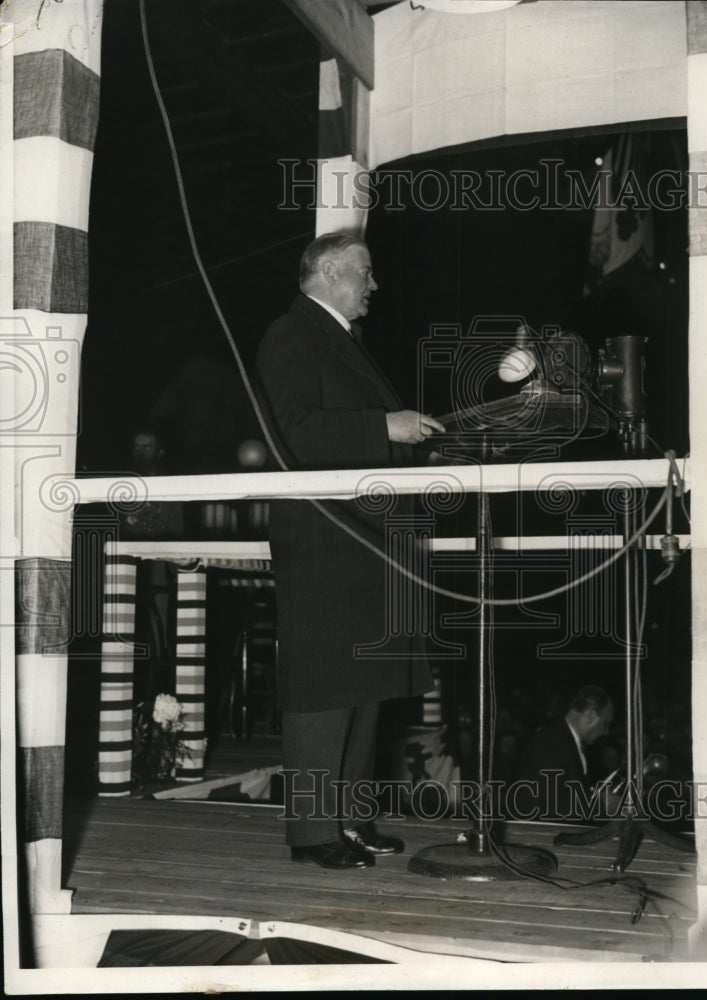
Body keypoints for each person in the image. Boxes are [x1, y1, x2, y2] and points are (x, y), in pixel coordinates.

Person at [255, 231, 445, 870]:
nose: (374, 284)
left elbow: (351, 436)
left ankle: (353, 819)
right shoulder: (293, 332)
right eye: (365, 271)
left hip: (364, 540)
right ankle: (313, 834)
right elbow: (295, 432)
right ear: (330, 271)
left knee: (365, 683)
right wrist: (385, 426)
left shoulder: (339, 340)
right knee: (324, 685)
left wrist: (413, 446)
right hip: (325, 540)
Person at [508, 684, 615, 822]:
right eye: (606, 723)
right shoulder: (552, 743)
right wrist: (602, 806)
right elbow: (553, 807)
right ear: (590, 716)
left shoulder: (561, 741)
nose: (606, 731)